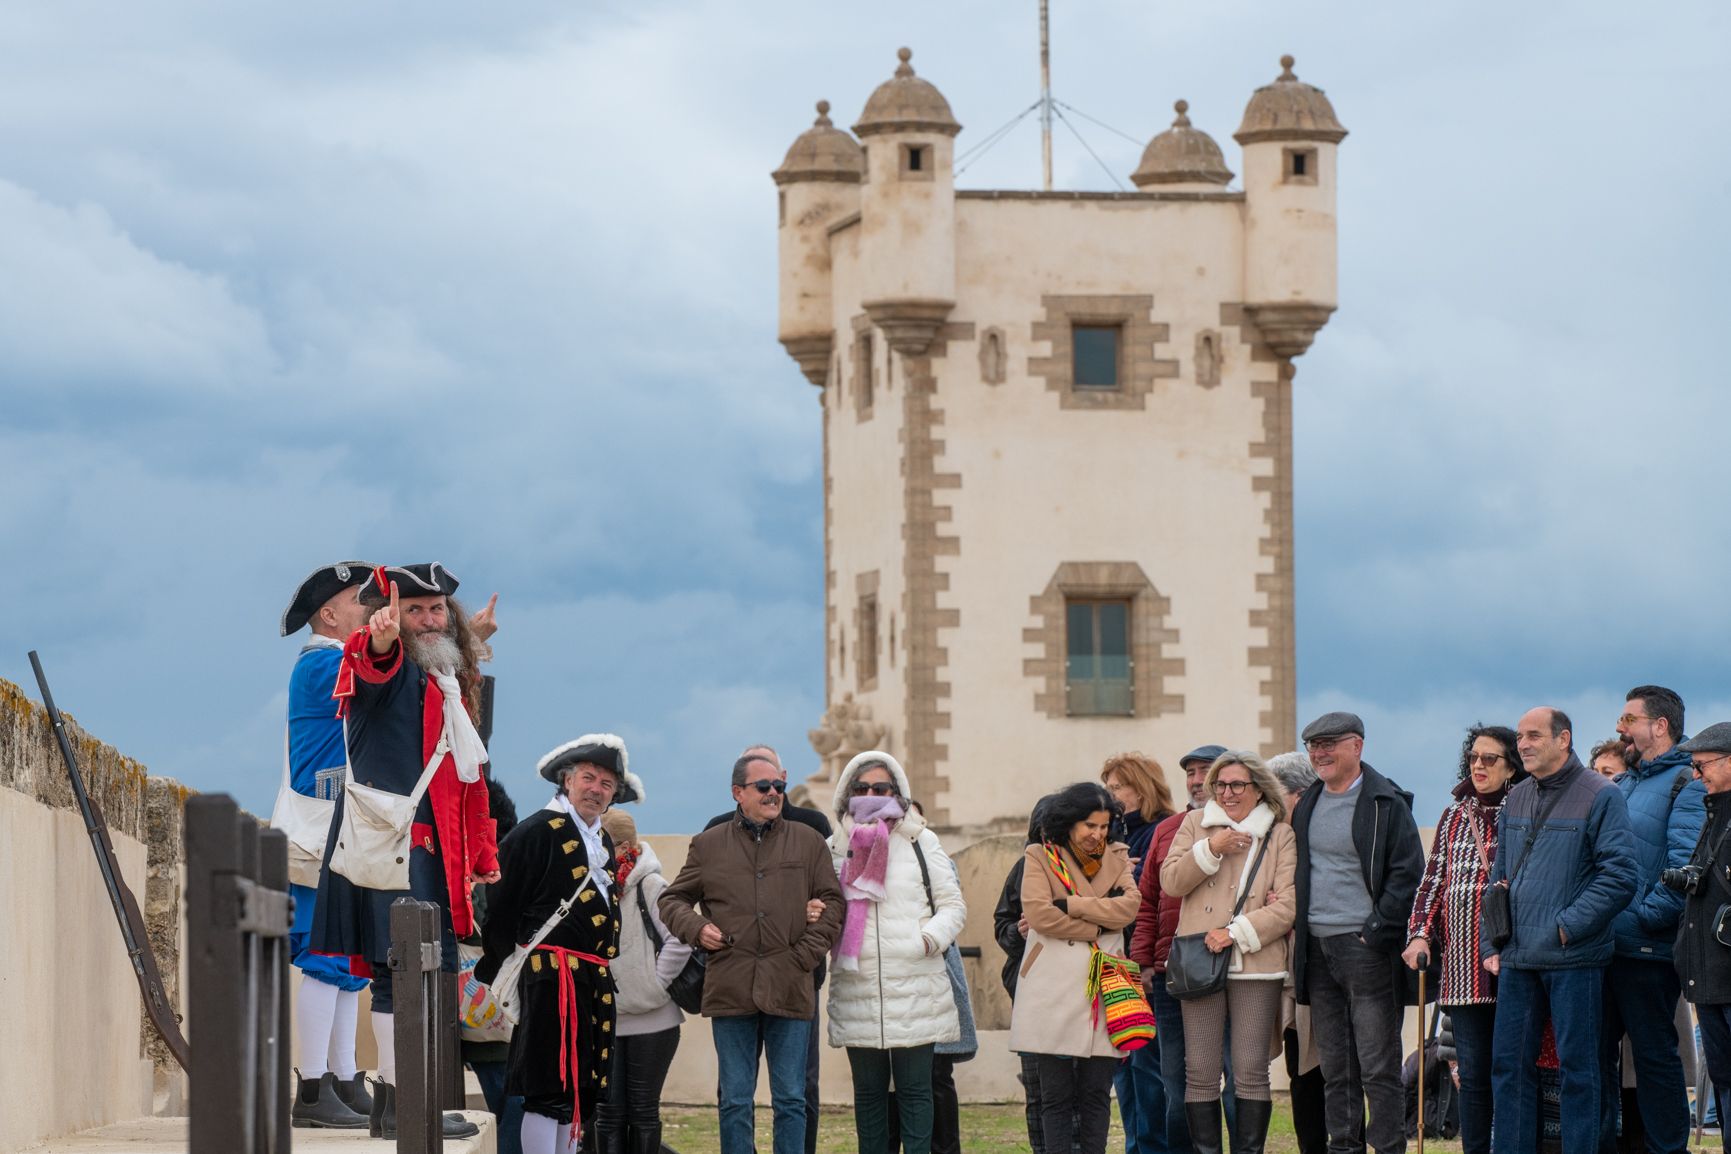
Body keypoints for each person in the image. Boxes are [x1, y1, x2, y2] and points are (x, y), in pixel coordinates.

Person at [310, 562, 497, 1141]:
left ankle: (401, 1102)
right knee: (399, 979)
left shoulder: (443, 679)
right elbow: (373, 667)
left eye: (437, 610)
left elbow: (466, 767)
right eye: (414, 610)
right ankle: (400, 1108)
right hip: (394, 848)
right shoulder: (380, 665)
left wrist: (473, 645)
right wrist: (385, 636)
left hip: (430, 851)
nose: (428, 619)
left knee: (426, 977)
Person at [660, 751, 844, 1154]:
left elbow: (833, 904)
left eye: (778, 785)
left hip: (790, 985)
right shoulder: (708, 845)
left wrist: (804, 956)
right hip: (731, 987)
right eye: (763, 787)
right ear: (737, 792)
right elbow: (672, 900)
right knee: (735, 1100)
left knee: (792, 1099)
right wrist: (697, 928)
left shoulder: (809, 841)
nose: (774, 793)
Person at [1481, 707, 1638, 1154]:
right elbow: (1500, 875)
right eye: (1520, 736)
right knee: (1508, 1068)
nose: (1523, 744)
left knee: (1580, 1072)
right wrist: (1492, 939)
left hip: (1575, 959)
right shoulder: (1518, 797)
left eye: (1533, 735)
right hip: (1517, 957)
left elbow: (1620, 876)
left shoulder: (1601, 794)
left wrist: (1566, 929)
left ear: (1563, 739)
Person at [477, 735, 640, 1154]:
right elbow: (499, 905)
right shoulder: (536, 831)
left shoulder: (601, 839)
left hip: (589, 978)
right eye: (589, 778)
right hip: (551, 979)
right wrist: (506, 966)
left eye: (606, 784)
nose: (596, 789)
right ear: (567, 781)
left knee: (576, 1093)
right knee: (547, 1089)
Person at [1290, 711, 1424, 1154]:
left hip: (1365, 949)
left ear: (1357, 746)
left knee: (1377, 1066)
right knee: (1335, 1066)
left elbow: (1408, 873)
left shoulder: (1387, 801)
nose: (1319, 753)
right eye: (1313, 746)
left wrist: (1375, 929)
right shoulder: (1308, 801)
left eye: (1329, 744)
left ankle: (1388, 1148)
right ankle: (1344, 1147)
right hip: (1317, 950)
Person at [825, 752, 965, 1154]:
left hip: (916, 985)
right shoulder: (834, 847)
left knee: (916, 1091)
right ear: (847, 792)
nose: (870, 795)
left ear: (897, 792)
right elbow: (824, 903)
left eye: (880, 788)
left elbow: (952, 905)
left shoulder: (921, 841)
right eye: (861, 788)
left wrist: (927, 940)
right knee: (868, 1094)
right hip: (858, 985)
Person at [278, 561, 377, 1130]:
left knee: (347, 963)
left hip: (343, 830)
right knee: (324, 960)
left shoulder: (333, 660)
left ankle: (342, 1076)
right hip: (322, 832)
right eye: (358, 599)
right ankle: (313, 1085)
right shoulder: (325, 663)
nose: (369, 607)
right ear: (329, 613)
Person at [1159, 751, 1296, 1154]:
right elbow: (1171, 881)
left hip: (1256, 963)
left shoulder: (1280, 833)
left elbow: (1287, 903)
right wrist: (1211, 848)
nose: (1227, 792)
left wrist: (1235, 932)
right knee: (1200, 1071)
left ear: (1258, 789)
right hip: (1198, 963)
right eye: (1220, 784)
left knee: (1251, 1071)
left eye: (1237, 785)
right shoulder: (1194, 824)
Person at [1401, 725, 1525, 1154]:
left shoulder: (1527, 806)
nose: (1478, 765)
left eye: (1489, 758)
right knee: (1471, 1075)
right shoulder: (1456, 814)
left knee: (1511, 1070)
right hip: (1462, 969)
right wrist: (1419, 935)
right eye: (1473, 757)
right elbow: (1433, 882)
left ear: (1512, 766)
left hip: (1514, 960)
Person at [1599, 687, 1706, 1154]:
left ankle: (1668, 1150)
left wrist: (1639, 919)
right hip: (1602, 948)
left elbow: (1684, 871)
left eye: (1628, 718)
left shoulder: (1688, 784)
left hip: (1646, 950)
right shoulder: (1622, 785)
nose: (1620, 727)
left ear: (1659, 725)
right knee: (1596, 1061)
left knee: (1654, 1059)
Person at [1010, 781, 1141, 1154]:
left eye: (1103, 826)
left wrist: (1070, 904)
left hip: (1104, 983)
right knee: (1055, 1096)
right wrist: (1100, 922)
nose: (1097, 834)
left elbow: (1130, 907)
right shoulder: (1040, 855)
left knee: (1096, 1094)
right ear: (1069, 823)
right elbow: (1038, 913)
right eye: (1089, 826)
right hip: (1050, 986)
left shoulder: (1118, 853)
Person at [1129, 743, 1231, 1153]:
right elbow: (1148, 900)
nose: (1194, 780)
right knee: (1177, 1084)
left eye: (1203, 771)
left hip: (1231, 969)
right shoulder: (1166, 830)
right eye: (1189, 772)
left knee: (1235, 1080)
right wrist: (1144, 962)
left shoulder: (1251, 828)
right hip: (1174, 974)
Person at [596, 806, 689, 1154]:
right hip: (607, 1020)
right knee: (607, 1113)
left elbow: (681, 937)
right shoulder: (592, 887)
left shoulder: (651, 884)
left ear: (623, 847)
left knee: (644, 1112)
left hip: (654, 1021)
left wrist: (655, 983)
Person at [1100, 754, 1178, 1154]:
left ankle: (1152, 1147)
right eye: (1108, 788)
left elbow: (1153, 894)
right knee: (1124, 1069)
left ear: (1142, 787)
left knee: (1149, 1068)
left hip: (1145, 962)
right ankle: (1136, 1145)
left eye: (1118, 787)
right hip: (1115, 961)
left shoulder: (1164, 830)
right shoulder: (1110, 834)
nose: (1110, 796)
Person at [995, 801, 1072, 1154]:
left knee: (1077, 1089)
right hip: (1031, 993)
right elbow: (1002, 925)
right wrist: (1019, 932)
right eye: (1045, 832)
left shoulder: (1091, 869)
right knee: (1037, 1087)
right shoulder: (1023, 868)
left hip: (1076, 992)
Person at [1266, 750, 1327, 1154]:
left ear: (1299, 796)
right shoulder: (1276, 838)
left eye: (1275, 797)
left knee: (1327, 1071)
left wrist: (1287, 904)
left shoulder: (1321, 835)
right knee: (1300, 1071)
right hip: (1291, 970)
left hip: (1325, 967)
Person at [1675, 723, 1731, 1145]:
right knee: (1725, 1080)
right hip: (1711, 977)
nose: (1696, 776)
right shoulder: (1715, 814)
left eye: (1702, 765)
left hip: (1723, 973)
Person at [463, 774, 523, 1154]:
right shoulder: (499, 869)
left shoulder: (471, 865)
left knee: (508, 1099)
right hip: (497, 1015)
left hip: (476, 1010)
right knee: (513, 1100)